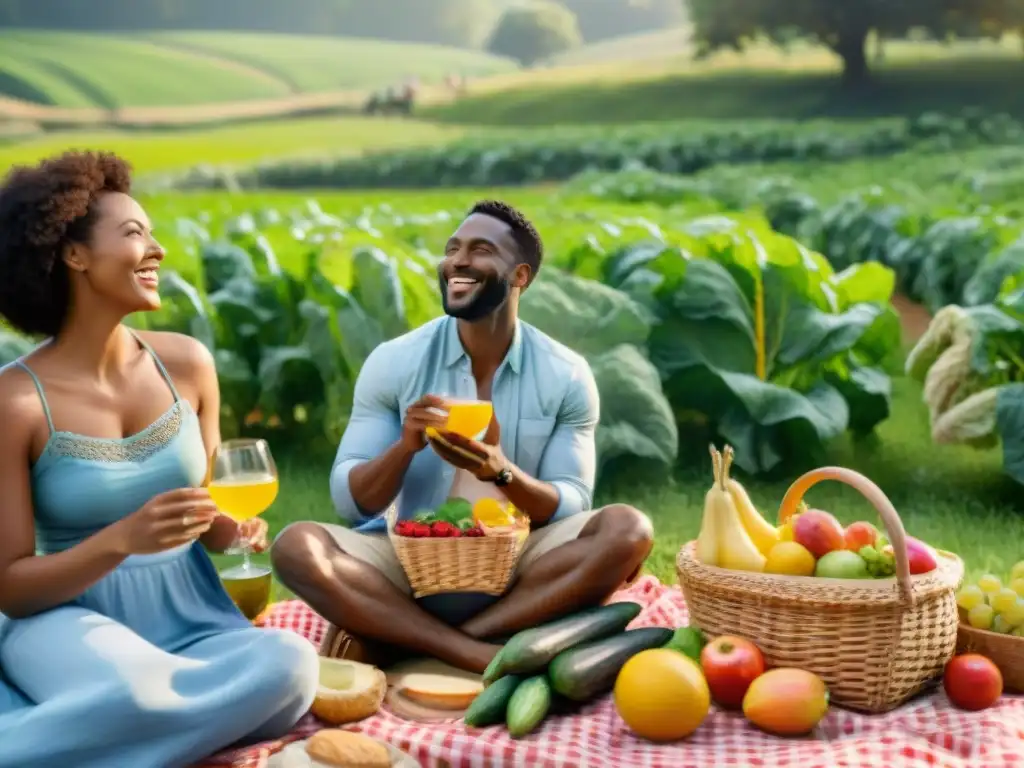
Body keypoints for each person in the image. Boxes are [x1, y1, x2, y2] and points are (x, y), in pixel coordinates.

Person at [0, 151, 318, 768]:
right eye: (134, 233)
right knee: (132, 691)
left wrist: (231, 530)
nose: (158, 250)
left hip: (192, 615)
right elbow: (10, 587)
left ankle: (95, 738)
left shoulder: (188, 365)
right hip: (65, 622)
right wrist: (120, 540)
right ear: (74, 255)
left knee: (291, 664)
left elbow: (206, 508)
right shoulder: (13, 401)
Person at [271, 200, 654, 674]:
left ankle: (422, 641)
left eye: (480, 249)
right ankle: (480, 653)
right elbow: (353, 503)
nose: (458, 261)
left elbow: (570, 504)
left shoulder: (566, 374)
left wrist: (501, 472)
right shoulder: (395, 362)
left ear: (520, 277)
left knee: (628, 530)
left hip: (519, 562)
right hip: (408, 559)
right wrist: (404, 448)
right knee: (295, 546)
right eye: (453, 248)